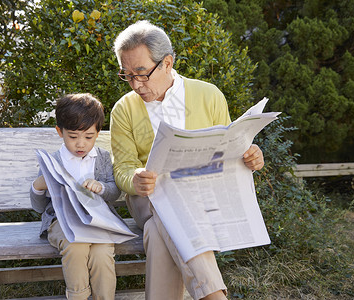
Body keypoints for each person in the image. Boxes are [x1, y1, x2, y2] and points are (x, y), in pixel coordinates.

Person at [110, 20, 265, 300]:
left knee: (158, 234)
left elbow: (230, 150)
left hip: (201, 198)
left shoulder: (209, 95)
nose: (135, 84)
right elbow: (121, 168)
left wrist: (250, 156)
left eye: (142, 73)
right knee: (166, 213)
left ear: (167, 63)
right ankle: (213, 296)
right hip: (148, 200)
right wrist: (135, 178)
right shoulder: (123, 110)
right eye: (127, 75)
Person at [30, 93, 121, 300]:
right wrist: (38, 186)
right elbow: (37, 206)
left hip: (98, 222)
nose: (81, 144)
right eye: (73, 137)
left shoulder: (103, 158)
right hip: (62, 222)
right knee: (76, 246)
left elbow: (114, 192)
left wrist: (102, 187)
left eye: (88, 137)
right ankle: (78, 296)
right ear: (59, 132)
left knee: (102, 254)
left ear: (98, 133)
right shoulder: (53, 161)